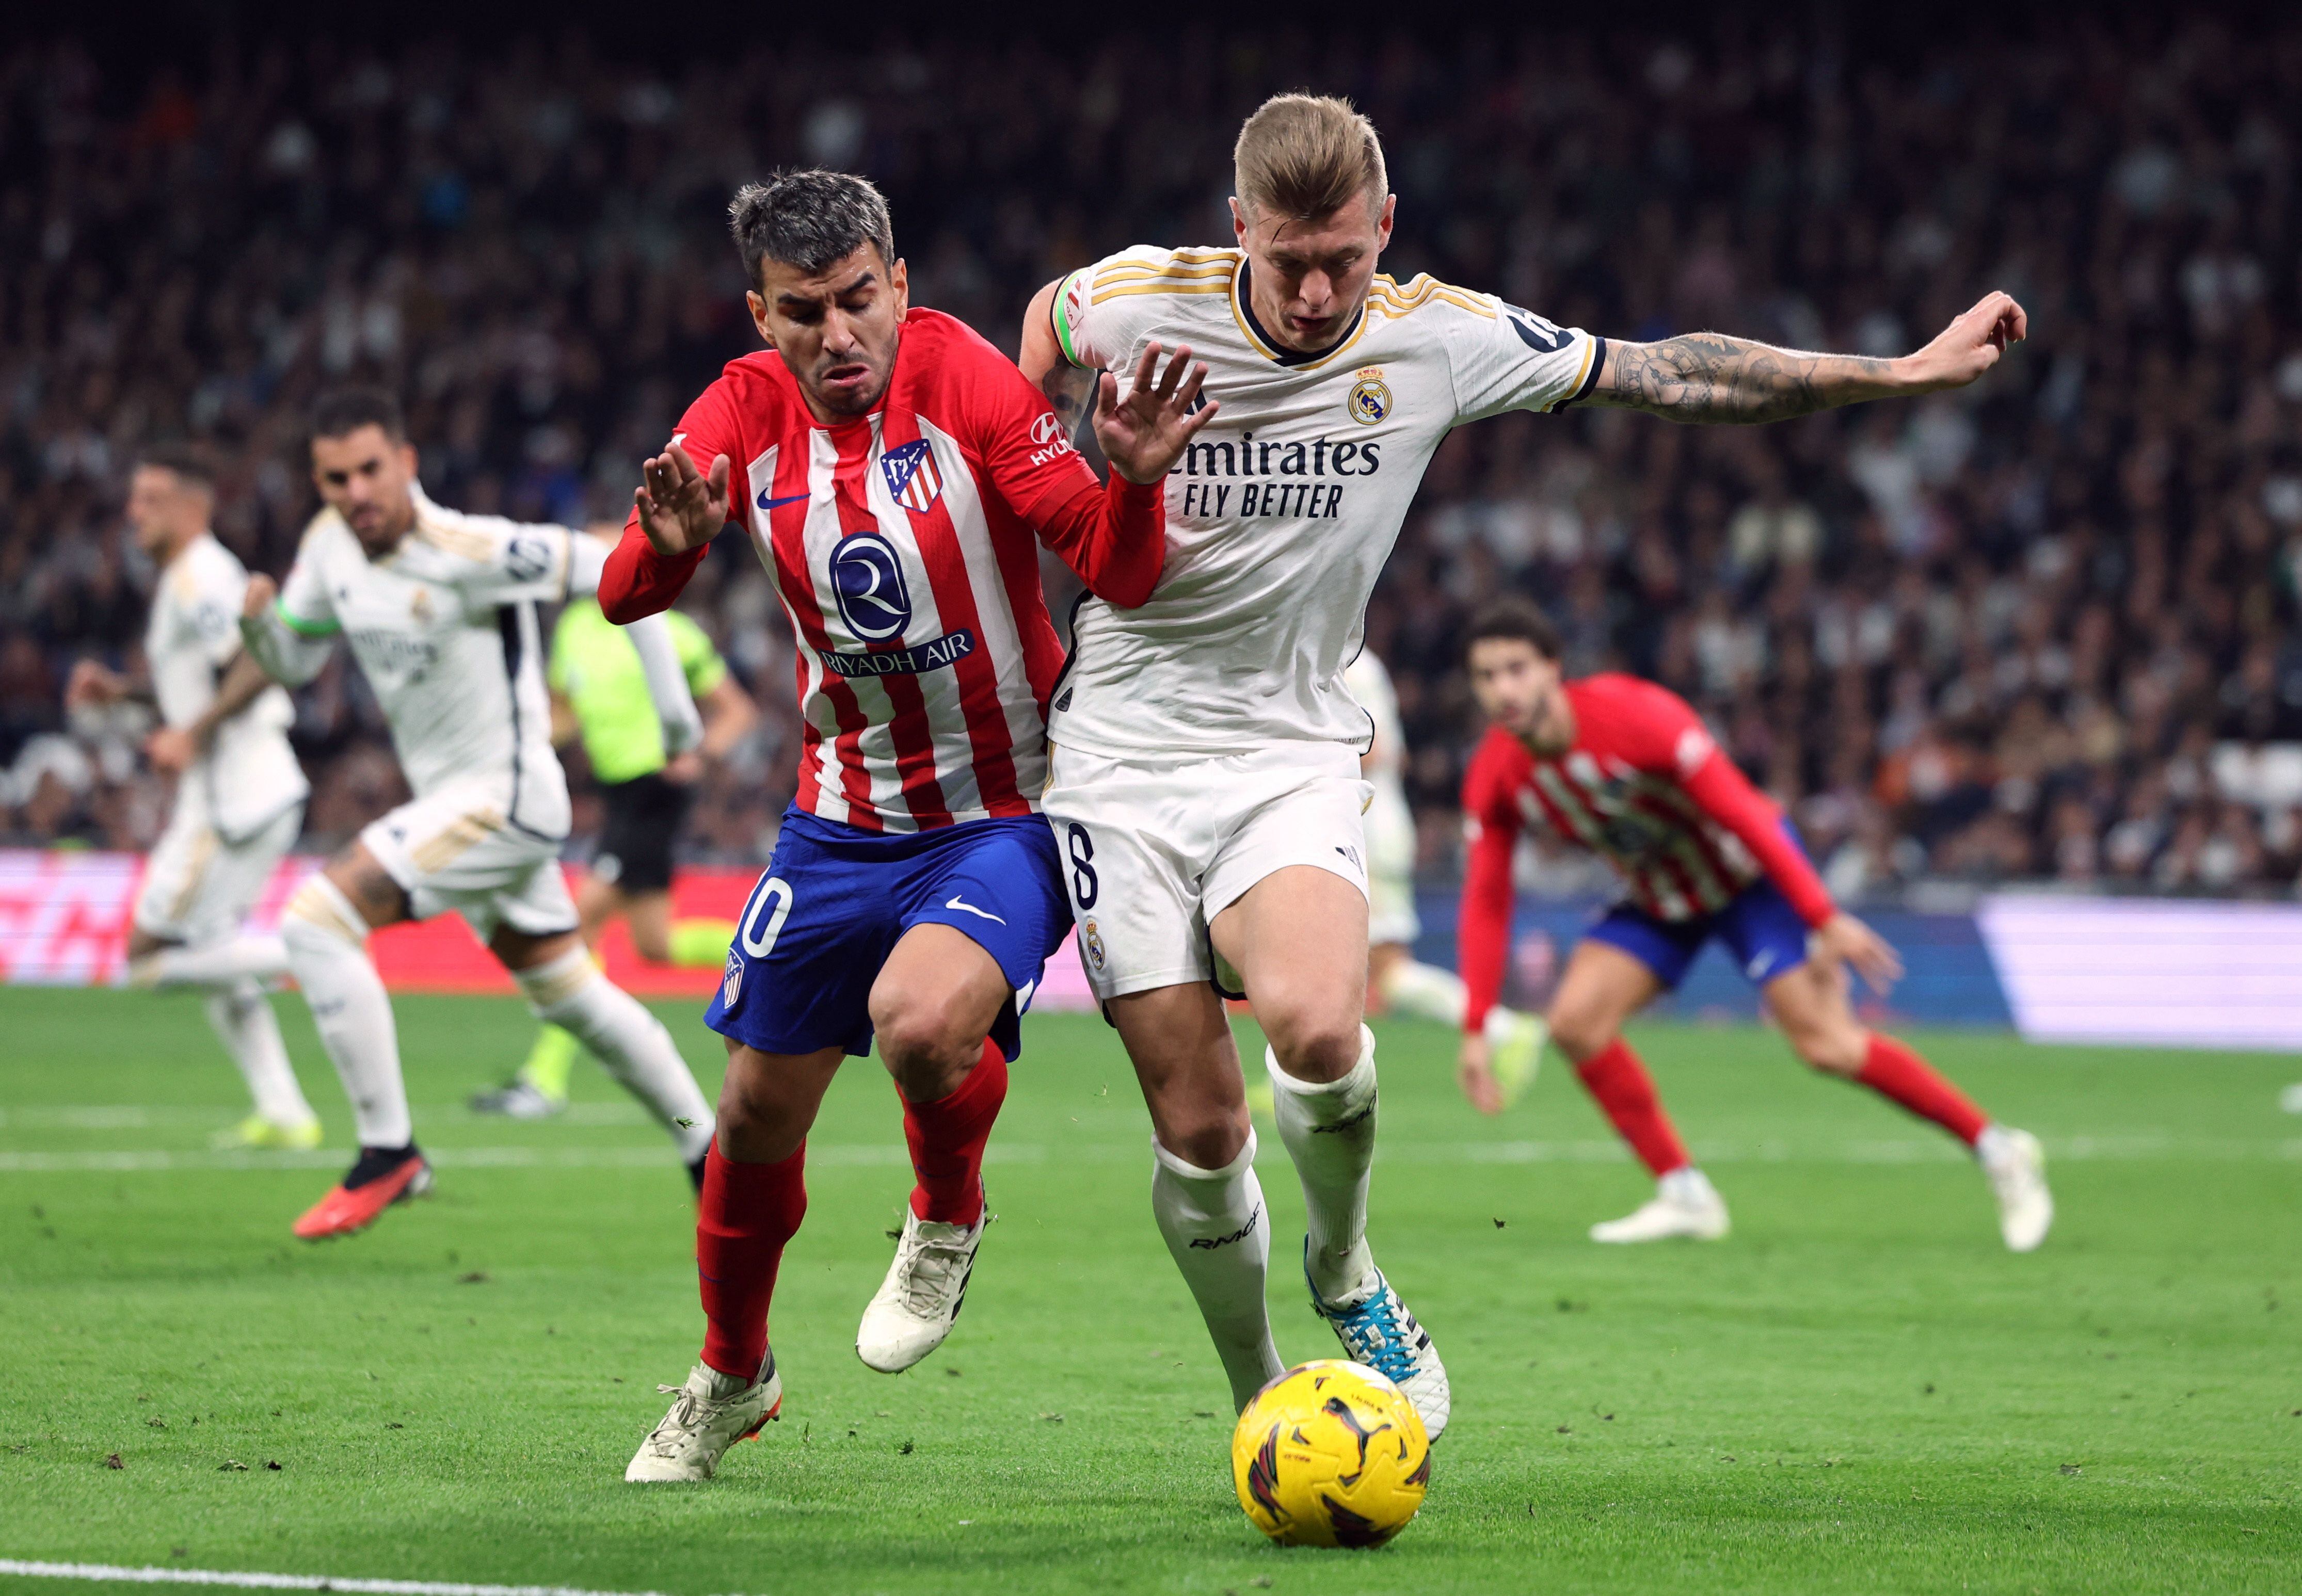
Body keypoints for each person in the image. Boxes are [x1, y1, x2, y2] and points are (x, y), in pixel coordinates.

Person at [1018, 91, 2028, 1440]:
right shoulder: (1137, 302)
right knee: (1200, 1132)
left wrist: (1893, 375)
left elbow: (1670, 371)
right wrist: (1053, 471)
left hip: (1290, 737)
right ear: (1236, 227)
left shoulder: (1438, 335)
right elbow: (1031, 337)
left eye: (1344, 258)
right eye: (1285, 260)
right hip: (1121, 747)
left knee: (1322, 1030)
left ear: (1385, 225)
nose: (1317, 292)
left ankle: (1347, 1267)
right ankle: (1259, 1385)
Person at [599, 171, 1201, 1483]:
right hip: (839, 817)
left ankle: (946, 1211)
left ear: (900, 287)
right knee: (753, 1116)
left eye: (859, 300)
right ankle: (730, 1374)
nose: (837, 334)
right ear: (762, 314)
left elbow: (1120, 563)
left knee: (923, 1025)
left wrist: (1137, 481)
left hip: (1010, 802)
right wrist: (670, 549)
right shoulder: (742, 413)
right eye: (803, 311)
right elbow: (619, 591)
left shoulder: (973, 383)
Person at [233, 387, 718, 1240]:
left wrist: (676, 716)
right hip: (457, 805)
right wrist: (263, 632)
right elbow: (297, 656)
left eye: (371, 469)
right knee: (573, 997)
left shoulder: (470, 547)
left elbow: (623, 556)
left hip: (505, 797)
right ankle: (708, 1151)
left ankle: (390, 1152)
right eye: (335, 477)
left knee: (316, 922)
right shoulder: (326, 548)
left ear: (407, 463)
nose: (356, 492)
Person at [1457, 599, 2053, 1251]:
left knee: (1827, 1045)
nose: (1502, 690)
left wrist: (1821, 916)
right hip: (1662, 895)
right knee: (1574, 1022)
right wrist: (1477, 1021)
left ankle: (1999, 1150)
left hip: (1749, 882)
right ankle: (1684, 1194)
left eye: (1515, 670)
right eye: (1486, 677)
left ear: (1552, 669)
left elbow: (1746, 815)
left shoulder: (1636, 716)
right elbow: (1487, 895)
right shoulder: (1496, 773)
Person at [65, 445, 321, 1150]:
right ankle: (286, 1113)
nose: (133, 513)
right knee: (213, 956)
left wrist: (193, 734)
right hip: (239, 789)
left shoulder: (203, 577)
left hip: (233, 796)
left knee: (147, 957)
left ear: (189, 507)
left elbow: (258, 661)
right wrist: (126, 692)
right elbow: (206, 678)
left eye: (149, 500)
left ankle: (313, 951)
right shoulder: (187, 576)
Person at [473, 596, 758, 1119]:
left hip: (655, 789)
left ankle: (543, 1080)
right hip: (618, 795)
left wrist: (701, 753)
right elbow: (563, 714)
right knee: (656, 944)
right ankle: (783, 958)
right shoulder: (576, 628)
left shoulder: (671, 630)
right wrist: (516, 746)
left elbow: (736, 710)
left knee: (582, 920)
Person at [1342, 647, 1544, 1094]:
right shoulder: (1346, 657)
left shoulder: (1349, 663)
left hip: (1364, 831)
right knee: (1334, 962)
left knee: (1389, 972)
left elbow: (1374, 751)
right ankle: (1306, 1073)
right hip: (1363, 826)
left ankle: (1505, 1029)